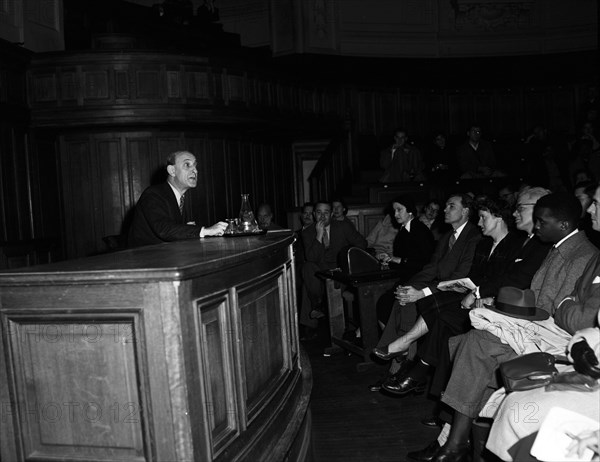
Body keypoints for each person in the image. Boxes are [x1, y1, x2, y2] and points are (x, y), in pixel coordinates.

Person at [409, 191, 600, 462]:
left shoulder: (582, 254)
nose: (535, 227)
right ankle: (458, 442)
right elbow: (546, 298)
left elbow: (564, 312)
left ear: (563, 225)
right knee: (469, 343)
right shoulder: (560, 247)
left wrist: (557, 305)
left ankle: (455, 441)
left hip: (559, 341)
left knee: (473, 345)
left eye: (541, 222)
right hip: (539, 326)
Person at [376, 197, 526, 396]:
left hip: (487, 301)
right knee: (415, 303)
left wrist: (476, 292)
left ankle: (410, 364)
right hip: (467, 293)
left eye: (483, 218)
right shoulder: (479, 243)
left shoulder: (508, 244)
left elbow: (502, 280)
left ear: (498, 218)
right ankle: (410, 367)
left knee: (441, 315)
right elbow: (453, 272)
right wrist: (413, 286)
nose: (479, 222)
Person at [368, 193, 481, 392]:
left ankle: (400, 363)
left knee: (414, 301)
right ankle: (400, 359)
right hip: (440, 285)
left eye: (450, 206)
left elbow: (461, 277)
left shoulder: (474, 236)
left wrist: (423, 292)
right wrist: (411, 286)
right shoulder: (447, 235)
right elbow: (431, 267)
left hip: (459, 291)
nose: (445, 210)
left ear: (465, 211)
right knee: (402, 296)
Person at [127, 150, 227, 247]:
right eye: (187, 165)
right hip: (145, 259)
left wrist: (187, 228)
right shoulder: (153, 194)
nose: (195, 170)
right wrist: (205, 231)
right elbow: (164, 230)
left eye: (195, 166)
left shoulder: (180, 197)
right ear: (172, 171)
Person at [299, 200, 367, 326]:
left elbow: (362, 244)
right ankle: (318, 305)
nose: (323, 216)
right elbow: (311, 258)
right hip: (319, 271)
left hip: (339, 270)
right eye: (319, 213)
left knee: (313, 285)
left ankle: (320, 312)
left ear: (331, 214)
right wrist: (319, 235)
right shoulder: (307, 232)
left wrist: (346, 260)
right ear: (314, 214)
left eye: (326, 212)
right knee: (307, 268)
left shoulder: (343, 226)